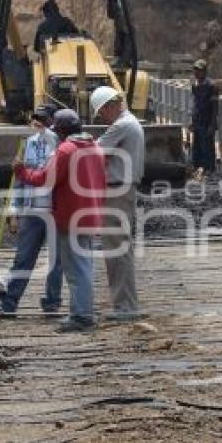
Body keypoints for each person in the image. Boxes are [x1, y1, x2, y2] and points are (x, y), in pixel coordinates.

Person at [13, 109, 105, 332]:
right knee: (84, 266)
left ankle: (82, 316)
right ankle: (83, 311)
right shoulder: (96, 148)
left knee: (75, 269)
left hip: (70, 214)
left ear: (61, 131)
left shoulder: (65, 150)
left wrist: (22, 172)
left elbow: (46, 179)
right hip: (90, 214)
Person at [2, 107, 63, 314]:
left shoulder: (62, 145)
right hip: (32, 211)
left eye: (42, 121)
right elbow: (18, 182)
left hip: (56, 212)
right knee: (23, 258)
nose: (37, 125)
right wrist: (13, 212)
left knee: (56, 262)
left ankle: (52, 302)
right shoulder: (26, 145)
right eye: (35, 120)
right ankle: (9, 303)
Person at [90, 86, 144, 321]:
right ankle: (125, 305)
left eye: (101, 112)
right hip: (122, 190)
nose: (101, 117)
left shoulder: (122, 126)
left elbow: (93, 152)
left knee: (117, 250)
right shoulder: (130, 123)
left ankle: (125, 308)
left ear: (110, 105)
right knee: (120, 248)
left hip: (117, 191)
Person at [189, 59, 219, 175]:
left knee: (207, 147)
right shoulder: (195, 86)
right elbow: (194, 105)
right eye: (195, 70)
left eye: (199, 70)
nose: (196, 73)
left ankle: (209, 170)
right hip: (197, 121)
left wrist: (213, 124)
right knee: (197, 147)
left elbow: (215, 107)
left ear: (205, 71)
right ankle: (198, 169)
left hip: (207, 122)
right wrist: (192, 121)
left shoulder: (212, 87)